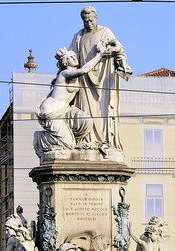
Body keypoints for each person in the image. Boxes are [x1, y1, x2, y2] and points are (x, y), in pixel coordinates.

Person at [33, 43, 117, 157]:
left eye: (74, 56)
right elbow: (84, 70)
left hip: (65, 110)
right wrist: (100, 55)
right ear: (65, 62)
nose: (74, 58)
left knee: (86, 121)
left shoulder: (74, 76)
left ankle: (72, 138)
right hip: (51, 112)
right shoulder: (64, 73)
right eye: (70, 57)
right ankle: (41, 138)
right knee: (68, 144)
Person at [69, 6, 131, 154]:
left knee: (103, 111)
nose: (89, 24)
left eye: (91, 20)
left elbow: (119, 50)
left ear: (96, 18)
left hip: (103, 79)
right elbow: (71, 55)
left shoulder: (105, 32)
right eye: (85, 21)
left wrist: (123, 63)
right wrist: (62, 58)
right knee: (85, 111)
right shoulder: (78, 36)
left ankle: (103, 140)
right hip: (84, 80)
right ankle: (86, 140)